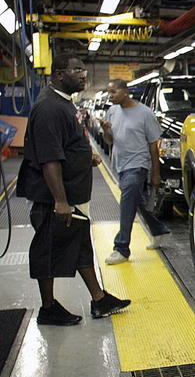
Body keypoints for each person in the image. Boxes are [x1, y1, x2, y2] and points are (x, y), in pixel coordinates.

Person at [17, 53, 131, 326]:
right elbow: (49, 158)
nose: (83, 75)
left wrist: (84, 156)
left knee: (80, 247)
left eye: (83, 70)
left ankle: (99, 299)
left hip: (73, 195)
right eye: (76, 70)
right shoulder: (49, 109)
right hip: (56, 197)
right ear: (58, 75)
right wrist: (60, 201)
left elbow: (65, 144)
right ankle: (48, 308)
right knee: (48, 249)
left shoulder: (63, 103)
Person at [100, 79, 170, 265]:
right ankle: (159, 231)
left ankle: (121, 248)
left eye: (114, 92)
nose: (111, 96)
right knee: (136, 202)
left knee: (126, 205)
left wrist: (156, 174)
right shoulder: (112, 111)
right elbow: (109, 142)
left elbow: (153, 146)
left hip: (138, 165)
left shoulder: (144, 113)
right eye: (109, 93)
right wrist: (105, 131)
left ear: (125, 91)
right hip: (121, 166)